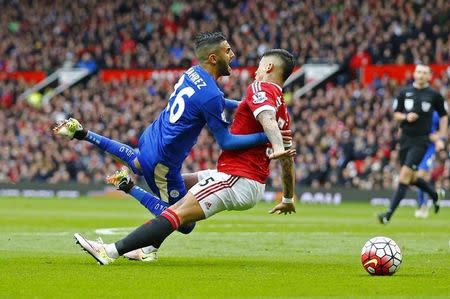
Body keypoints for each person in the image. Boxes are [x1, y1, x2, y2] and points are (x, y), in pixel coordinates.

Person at [73, 49, 297, 265]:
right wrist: (288, 197)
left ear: (268, 66)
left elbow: (266, 120)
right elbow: (287, 158)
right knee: (180, 184)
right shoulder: (283, 111)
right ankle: (149, 248)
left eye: (259, 66)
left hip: (237, 178)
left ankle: (109, 251)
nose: (256, 71)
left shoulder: (260, 88)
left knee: (177, 212)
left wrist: (274, 144)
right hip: (241, 178)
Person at [378, 64, 448, 224]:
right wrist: (405, 117)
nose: (421, 75)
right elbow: (396, 114)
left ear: (429, 76)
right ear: (414, 74)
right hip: (404, 140)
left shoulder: (434, 95)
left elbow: (444, 116)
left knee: (403, 176)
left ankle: (387, 215)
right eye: (419, 72)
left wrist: (441, 136)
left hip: (421, 141)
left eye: (425, 73)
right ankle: (434, 194)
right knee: (411, 178)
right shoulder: (404, 92)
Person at [415, 111, 441, 218]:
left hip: (429, 150)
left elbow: (442, 131)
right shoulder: (419, 111)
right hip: (418, 148)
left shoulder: (436, 114)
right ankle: (434, 195)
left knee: (421, 176)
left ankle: (423, 206)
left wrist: (439, 139)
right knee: (418, 178)